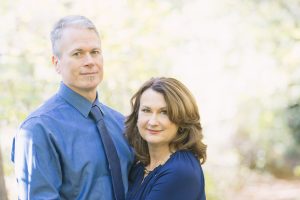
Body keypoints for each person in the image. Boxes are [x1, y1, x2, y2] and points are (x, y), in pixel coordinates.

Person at [11, 15, 134, 199]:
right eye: (78, 53)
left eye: (95, 52)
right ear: (56, 63)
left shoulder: (122, 123)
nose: (90, 61)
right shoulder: (38, 130)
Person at [125, 77, 207, 200]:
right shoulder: (141, 166)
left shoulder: (180, 172)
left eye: (164, 112)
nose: (152, 122)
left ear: (182, 119)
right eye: (146, 110)